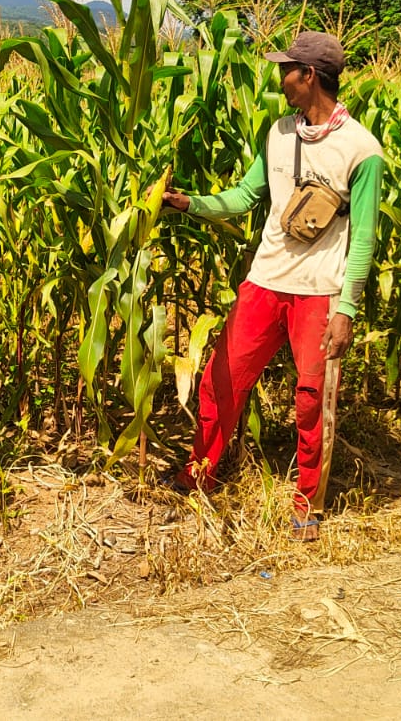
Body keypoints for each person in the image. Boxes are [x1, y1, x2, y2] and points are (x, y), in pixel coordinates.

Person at [162, 31, 383, 542]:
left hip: (321, 291)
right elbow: (244, 196)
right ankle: (199, 476)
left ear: (309, 76)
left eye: (287, 71)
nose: (279, 79)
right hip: (265, 281)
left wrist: (347, 309)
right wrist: (191, 204)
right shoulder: (279, 132)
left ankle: (308, 503)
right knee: (220, 382)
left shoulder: (361, 150)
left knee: (311, 400)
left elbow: (364, 237)